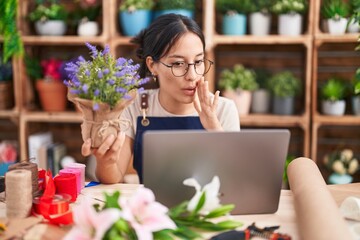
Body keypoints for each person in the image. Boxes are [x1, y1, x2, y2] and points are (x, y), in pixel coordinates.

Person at [82, 14, 240, 184]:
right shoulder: (134, 105)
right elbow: (113, 177)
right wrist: (106, 161)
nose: (192, 76)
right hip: (153, 208)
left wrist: (214, 128)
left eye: (199, 61)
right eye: (178, 64)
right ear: (152, 65)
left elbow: (235, 179)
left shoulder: (224, 109)